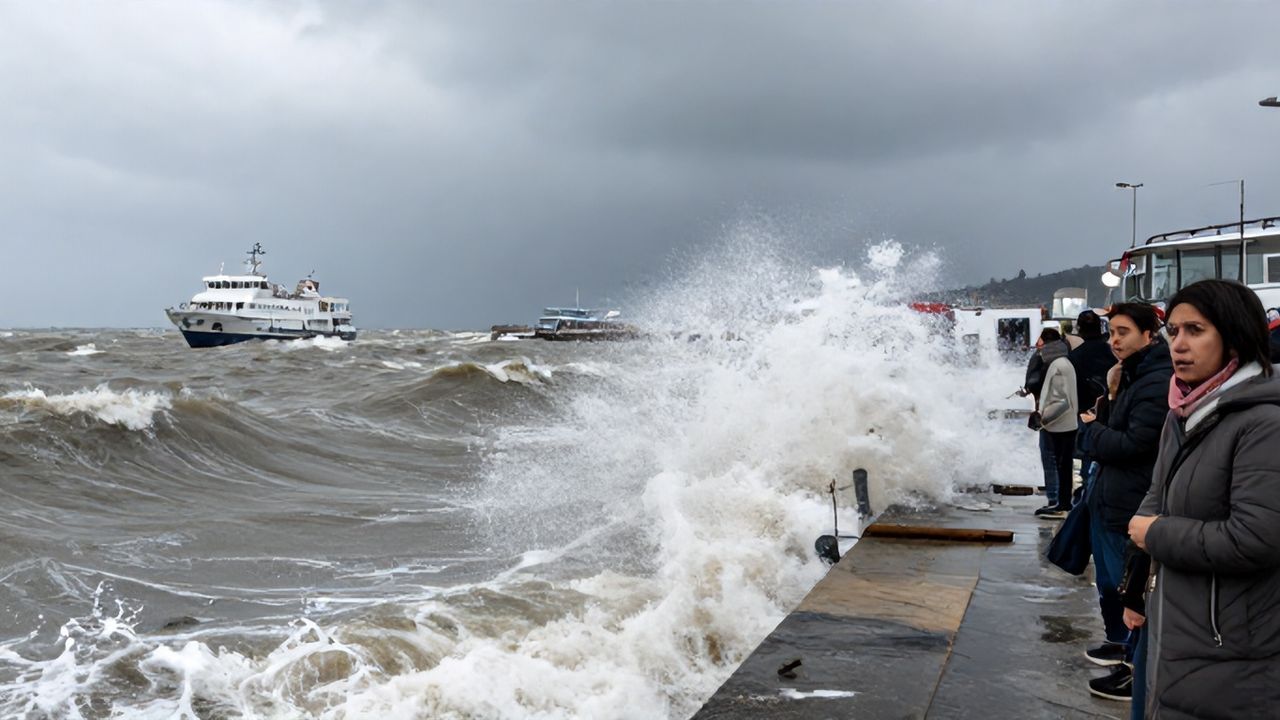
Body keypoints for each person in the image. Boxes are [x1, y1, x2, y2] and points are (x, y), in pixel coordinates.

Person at [1128, 279, 1280, 719]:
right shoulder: (1184, 414)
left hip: (1234, 652)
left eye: (1195, 330)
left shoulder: (1263, 423)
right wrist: (1134, 588)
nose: (1179, 344)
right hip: (1180, 631)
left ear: (1233, 334)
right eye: (1172, 332)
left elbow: (1255, 538)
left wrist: (1154, 533)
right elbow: (1155, 500)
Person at [1076, 303, 1171, 702]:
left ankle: (1134, 668)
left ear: (1149, 335)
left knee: (1130, 590)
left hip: (1131, 503)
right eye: (1111, 332)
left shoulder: (1154, 380)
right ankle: (1123, 649)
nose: (1114, 340)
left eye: (1124, 332)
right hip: (1114, 498)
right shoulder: (1129, 375)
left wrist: (1093, 430)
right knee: (1113, 585)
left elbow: (1133, 443)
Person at [1032, 328, 1078, 518]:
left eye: (1040, 342)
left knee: (1061, 465)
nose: (1037, 346)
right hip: (1064, 424)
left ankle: (1062, 504)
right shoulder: (1062, 362)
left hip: (1060, 425)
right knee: (1063, 465)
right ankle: (1062, 503)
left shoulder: (1058, 366)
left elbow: (1061, 400)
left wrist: (1042, 417)